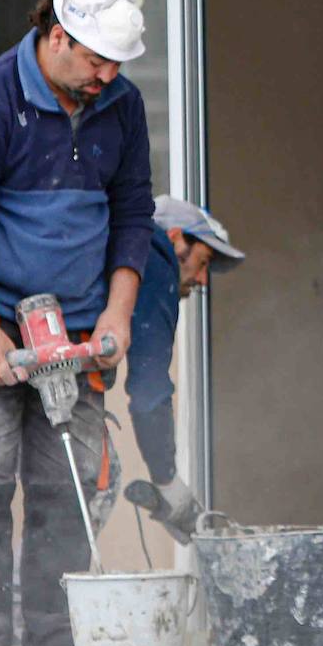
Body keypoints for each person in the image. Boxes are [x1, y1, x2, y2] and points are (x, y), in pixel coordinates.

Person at [0, 0, 154, 646]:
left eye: (117, 62)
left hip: (78, 323)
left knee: (66, 487)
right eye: (94, 59)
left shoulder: (121, 104)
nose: (106, 74)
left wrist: (118, 312)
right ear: (57, 35)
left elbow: (134, 213)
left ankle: (54, 640)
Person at [122, 196, 244, 543]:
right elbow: (149, 387)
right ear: (175, 237)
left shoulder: (126, 250)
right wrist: (167, 481)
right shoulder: (156, 258)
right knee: (87, 482)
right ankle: (53, 596)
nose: (203, 280)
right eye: (202, 261)